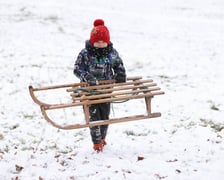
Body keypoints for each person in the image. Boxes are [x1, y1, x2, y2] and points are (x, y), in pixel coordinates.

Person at [73, 19, 126, 152]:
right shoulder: (85, 54)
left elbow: (118, 64)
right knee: (94, 117)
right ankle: (96, 142)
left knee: (104, 116)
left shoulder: (112, 53)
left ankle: (103, 137)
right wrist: (87, 76)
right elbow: (77, 69)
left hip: (106, 90)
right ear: (92, 41)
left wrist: (120, 74)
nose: (100, 45)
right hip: (89, 91)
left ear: (107, 42)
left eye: (103, 42)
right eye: (97, 42)